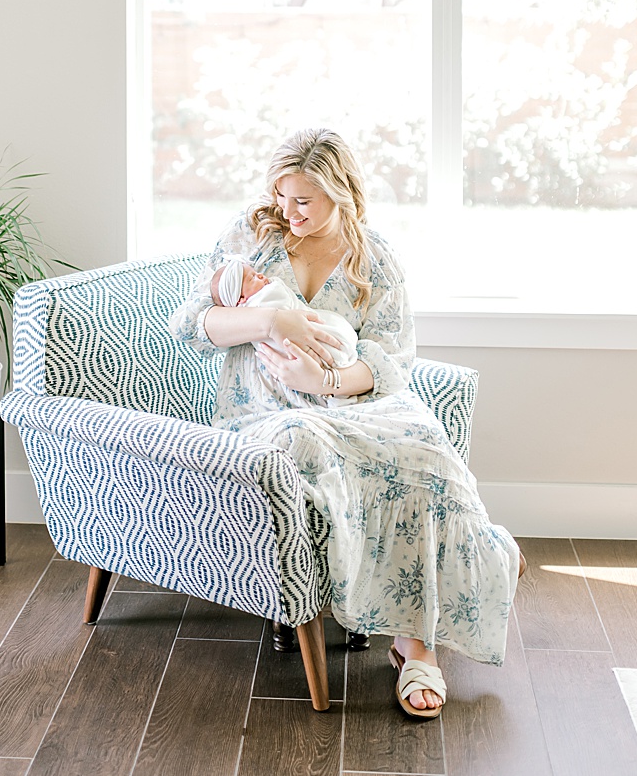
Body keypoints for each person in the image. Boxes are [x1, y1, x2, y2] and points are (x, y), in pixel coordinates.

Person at [169, 128, 520, 720]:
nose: (288, 212)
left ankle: (414, 640)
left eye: (303, 200)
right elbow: (190, 324)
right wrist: (268, 318)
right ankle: (460, 584)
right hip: (263, 412)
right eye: (282, 195)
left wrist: (325, 382)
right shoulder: (251, 235)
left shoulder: (373, 258)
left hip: (359, 403)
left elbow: (391, 360)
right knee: (300, 443)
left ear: (341, 194)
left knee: (428, 455)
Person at [207, 259, 359, 409]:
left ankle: (338, 391)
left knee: (321, 348)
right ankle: (338, 393)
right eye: (252, 277)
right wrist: (272, 321)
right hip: (263, 398)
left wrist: (324, 381)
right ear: (240, 299)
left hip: (332, 377)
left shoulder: (265, 292)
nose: (260, 275)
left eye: (256, 273)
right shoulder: (259, 302)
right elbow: (194, 324)